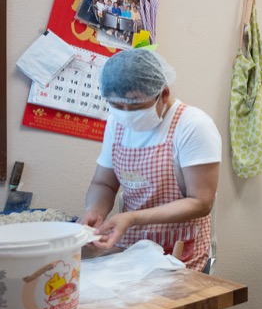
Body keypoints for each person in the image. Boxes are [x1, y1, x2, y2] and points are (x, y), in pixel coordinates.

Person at [82, 49, 222, 271]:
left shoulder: (193, 126)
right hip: (130, 246)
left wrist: (132, 218)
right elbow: (104, 183)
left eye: (136, 106)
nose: (126, 114)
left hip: (179, 250)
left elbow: (201, 202)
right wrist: (95, 212)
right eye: (117, 106)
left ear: (163, 94)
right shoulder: (115, 123)